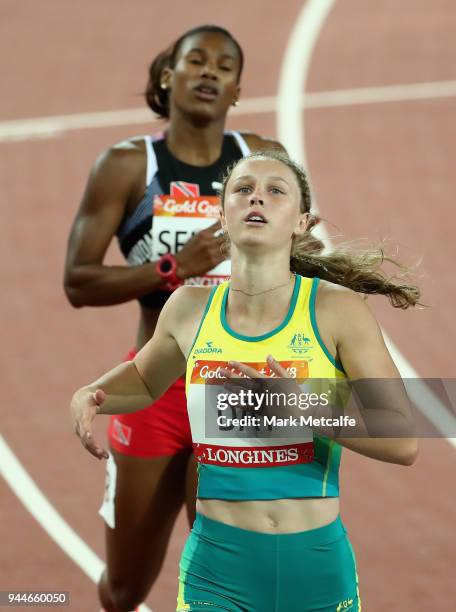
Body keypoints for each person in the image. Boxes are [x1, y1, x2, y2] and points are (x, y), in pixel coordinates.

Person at [71, 150, 419, 611]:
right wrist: (93, 393)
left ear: (302, 222)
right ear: (222, 214)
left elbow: (402, 438)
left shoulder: (337, 310)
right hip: (217, 572)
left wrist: (305, 409)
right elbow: (143, 379)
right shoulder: (189, 309)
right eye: (243, 189)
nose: (257, 198)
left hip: (314, 568)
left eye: (276, 191)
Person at [64, 24, 285, 612]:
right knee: (124, 589)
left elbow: (306, 259)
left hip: (243, 394)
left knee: (227, 585)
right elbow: (78, 282)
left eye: (225, 65)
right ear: (169, 75)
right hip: (154, 389)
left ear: (238, 89)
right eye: (197, 60)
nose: (210, 72)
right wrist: (172, 268)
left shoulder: (261, 162)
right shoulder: (126, 166)